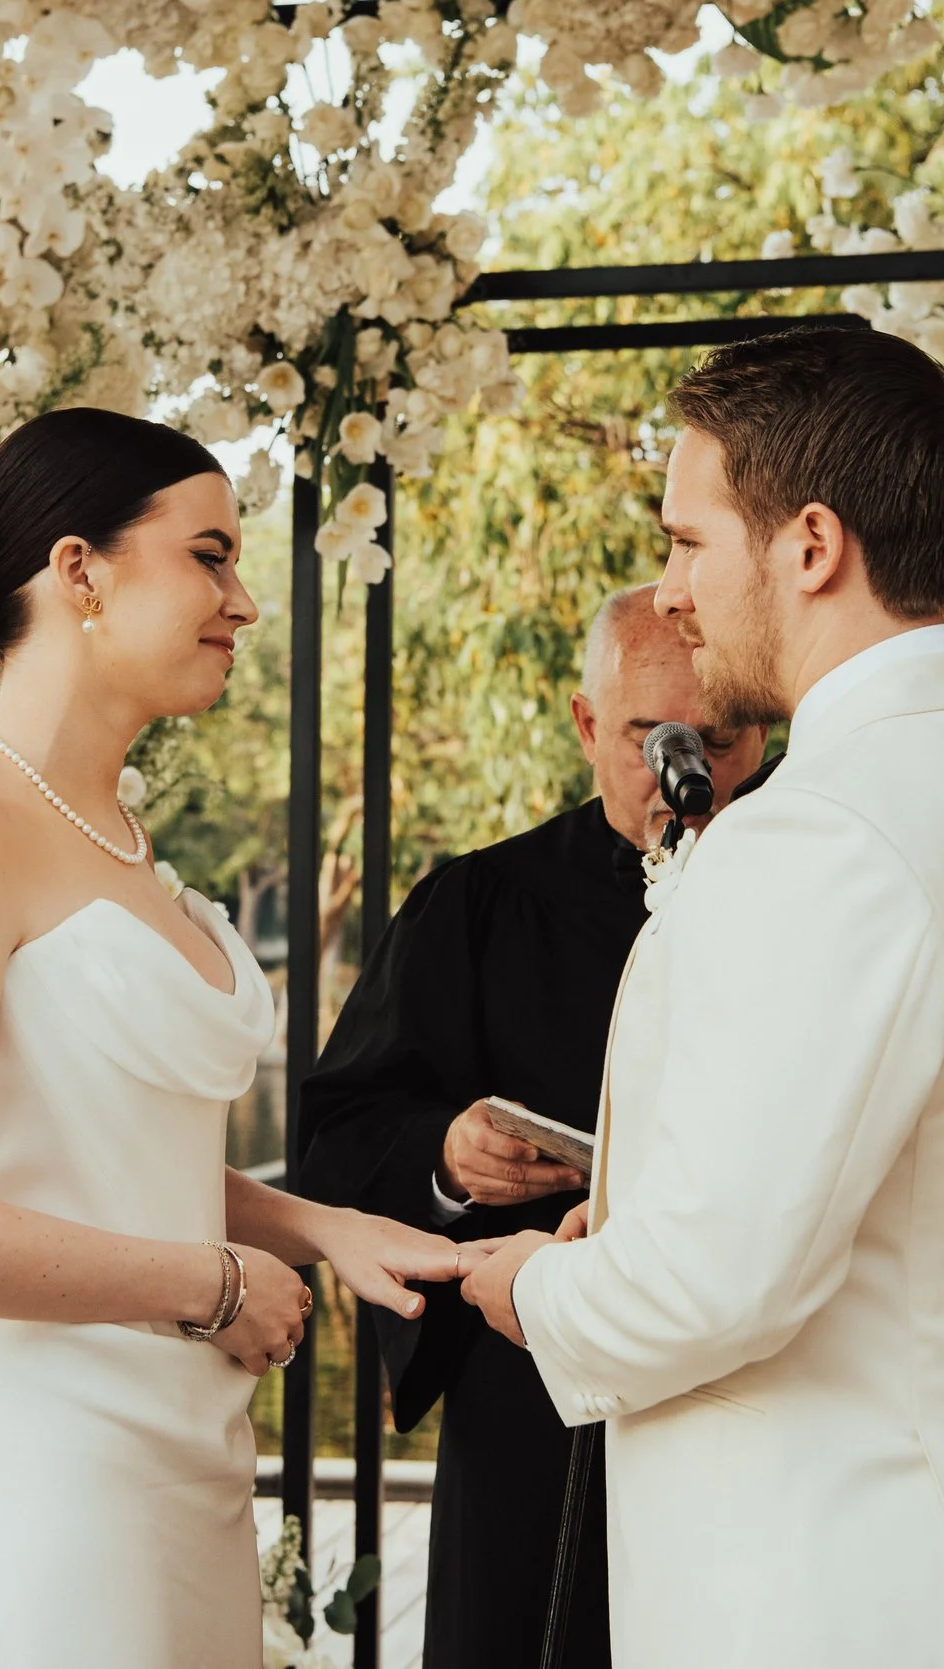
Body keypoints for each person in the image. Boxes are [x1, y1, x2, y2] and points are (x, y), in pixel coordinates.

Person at [461, 328, 944, 1667]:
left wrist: (537, 1285)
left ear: (812, 544)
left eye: (688, 540)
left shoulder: (825, 831)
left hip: (846, 1577)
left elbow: (714, 1289)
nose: (668, 593)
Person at [0, 409, 476, 1669]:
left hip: (177, 1451)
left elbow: (96, 1150)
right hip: (38, 1469)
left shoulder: (119, 833)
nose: (243, 601)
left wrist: (318, 1225)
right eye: (209, 555)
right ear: (79, 572)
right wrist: (210, 1283)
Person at [297, 584, 763, 1669]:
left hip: (747, 1403)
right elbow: (339, 1131)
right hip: (530, 1401)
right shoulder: (474, 904)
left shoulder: (817, 895)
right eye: (655, 734)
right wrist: (447, 1161)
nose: (688, 770)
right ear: (586, 724)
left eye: (724, 737)